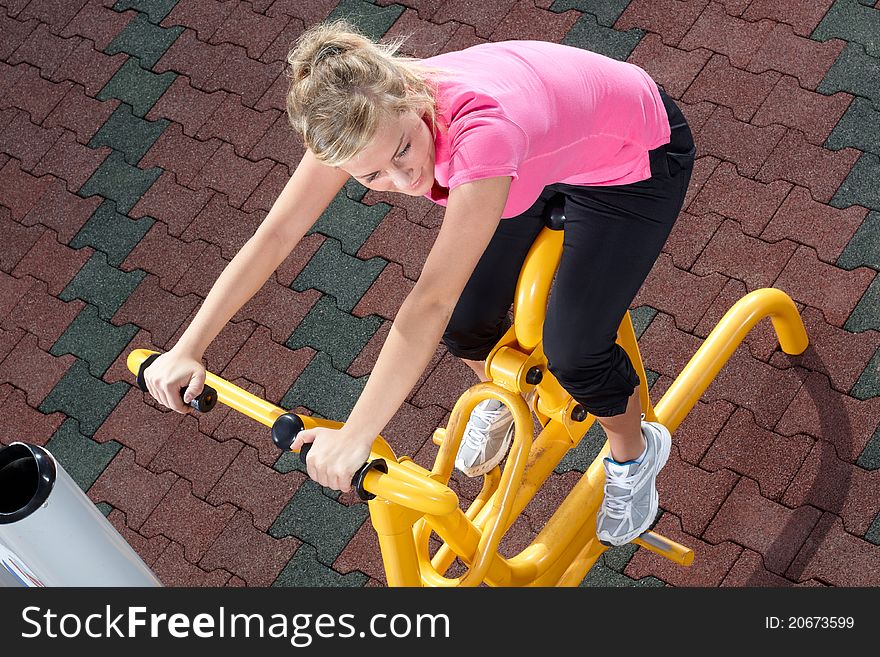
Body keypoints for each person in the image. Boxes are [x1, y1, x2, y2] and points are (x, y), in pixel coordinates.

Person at [143, 20, 695, 547]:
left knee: (575, 351)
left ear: (410, 97)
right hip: (541, 154)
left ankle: (634, 449)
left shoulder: (480, 135)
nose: (406, 179)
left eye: (404, 148)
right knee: (467, 325)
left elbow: (428, 299)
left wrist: (357, 433)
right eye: (372, 175)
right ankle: (508, 398)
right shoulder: (351, 122)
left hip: (632, 155)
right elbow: (276, 234)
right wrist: (188, 347)